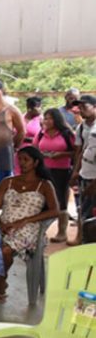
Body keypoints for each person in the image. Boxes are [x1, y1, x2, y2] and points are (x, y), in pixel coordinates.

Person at [0, 146, 59, 302]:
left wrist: (25, 220)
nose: (21, 163)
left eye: (26, 159)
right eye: (19, 159)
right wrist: (0, 223)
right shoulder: (7, 182)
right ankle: (0, 282)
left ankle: (0, 286)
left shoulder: (44, 185)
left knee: (4, 251)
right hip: (4, 225)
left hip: (29, 227)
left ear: (35, 162)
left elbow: (55, 211)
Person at [34, 108, 75, 242]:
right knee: (42, 199)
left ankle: (62, 231)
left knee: (60, 199)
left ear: (56, 119)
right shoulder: (41, 133)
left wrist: (61, 155)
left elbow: (76, 152)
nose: (46, 121)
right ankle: (40, 232)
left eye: (50, 118)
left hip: (61, 171)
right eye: (45, 118)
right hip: (44, 170)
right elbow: (34, 149)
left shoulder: (66, 134)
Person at [71, 95, 96, 245]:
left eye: (84, 107)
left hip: (94, 178)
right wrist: (75, 171)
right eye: (79, 108)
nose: (81, 111)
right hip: (85, 175)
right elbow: (82, 150)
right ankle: (84, 241)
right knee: (84, 209)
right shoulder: (82, 127)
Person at [15, 97, 43, 174]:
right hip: (18, 151)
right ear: (29, 108)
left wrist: (28, 139)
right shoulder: (20, 118)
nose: (40, 109)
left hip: (33, 151)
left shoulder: (41, 120)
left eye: (41, 107)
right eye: (38, 107)